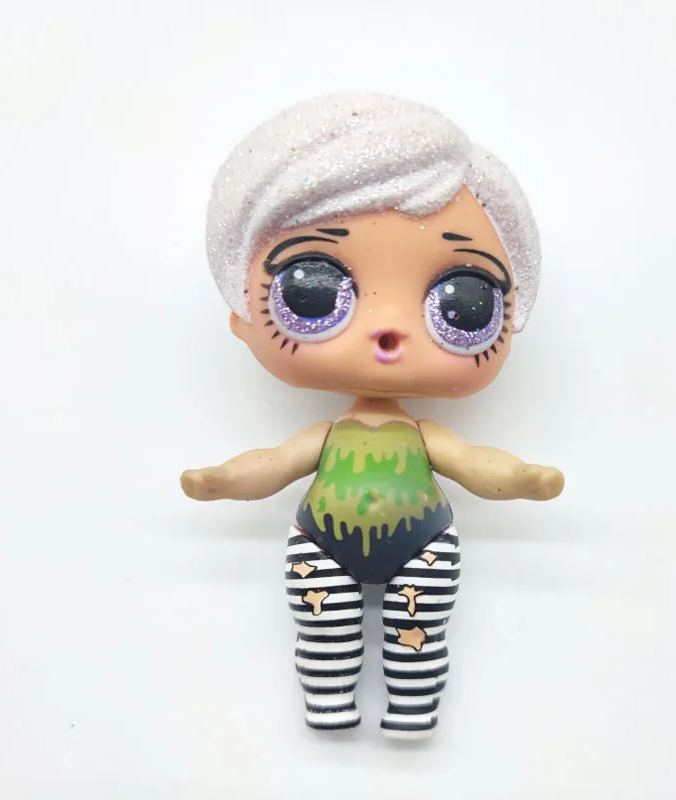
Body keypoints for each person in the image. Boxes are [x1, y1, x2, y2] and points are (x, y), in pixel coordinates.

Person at [181, 92, 564, 739]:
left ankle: (414, 710)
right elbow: (274, 465)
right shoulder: (329, 437)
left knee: (421, 634)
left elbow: (474, 465)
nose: (388, 328)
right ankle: (327, 704)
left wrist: (524, 478)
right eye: (312, 290)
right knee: (322, 630)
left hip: (424, 545)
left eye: (463, 303)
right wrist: (222, 480)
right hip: (321, 543)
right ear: (241, 318)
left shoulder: (421, 436)